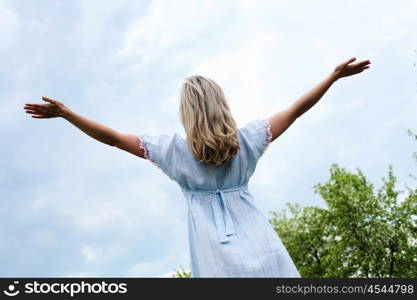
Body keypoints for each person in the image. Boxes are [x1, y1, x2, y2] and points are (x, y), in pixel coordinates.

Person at [23, 57, 371, 277]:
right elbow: (296, 109)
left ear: (185, 112)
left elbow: (113, 138)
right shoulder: (247, 140)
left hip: (216, 260)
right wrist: (332, 77)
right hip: (264, 251)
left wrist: (69, 115)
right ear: (223, 105)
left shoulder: (173, 151)